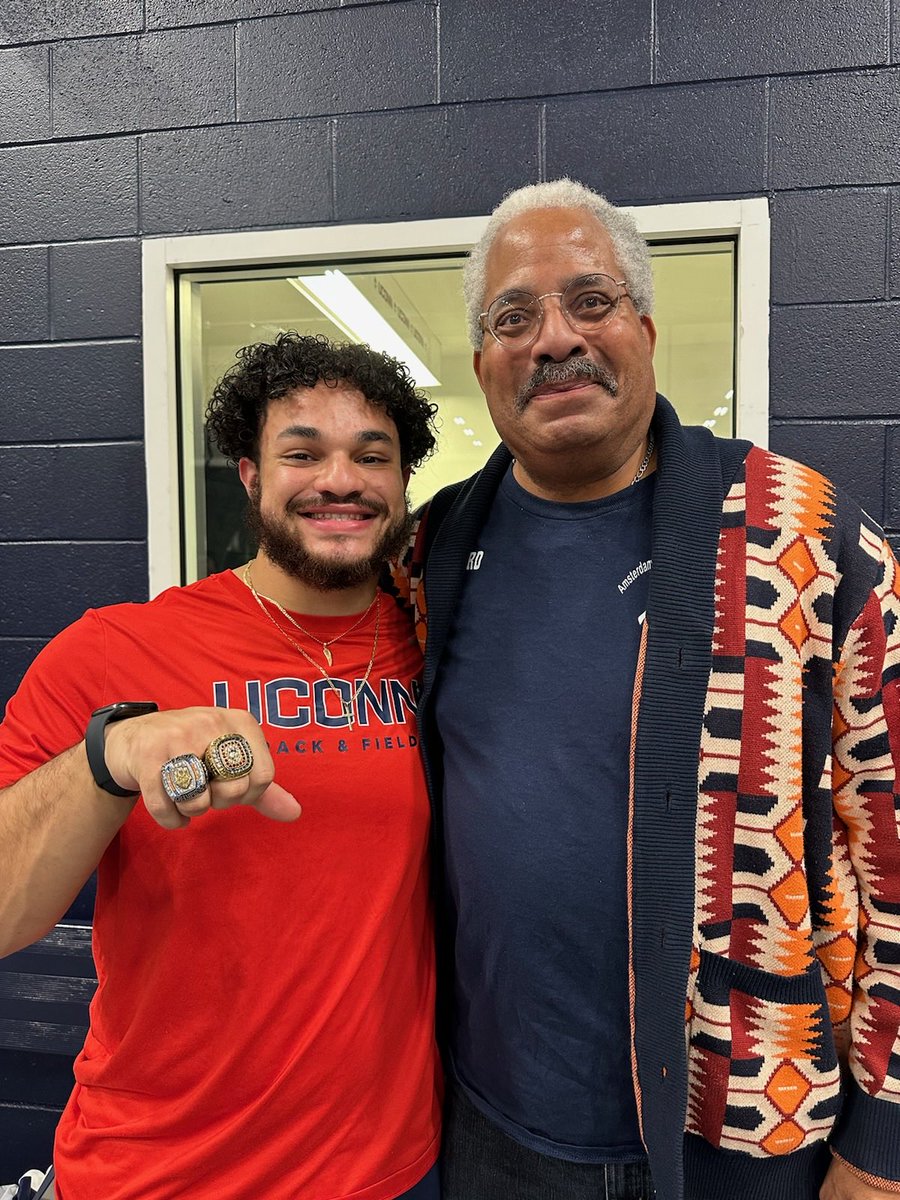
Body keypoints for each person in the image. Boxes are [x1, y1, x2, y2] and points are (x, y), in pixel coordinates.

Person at [396, 180, 900, 1200]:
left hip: (751, 1135)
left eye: (591, 300)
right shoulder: (433, 551)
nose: (553, 339)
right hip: (494, 1130)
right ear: (484, 362)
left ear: (645, 328)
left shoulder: (806, 536)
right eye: (512, 317)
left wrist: (885, 1140)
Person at [0, 333, 443, 1200]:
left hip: (394, 1170)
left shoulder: (436, 641)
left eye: (372, 455)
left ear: (400, 481)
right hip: (161, 1173)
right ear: (249, 474)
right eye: (302, 452)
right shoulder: (113, 650)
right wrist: (108, 756)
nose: (341, 480)